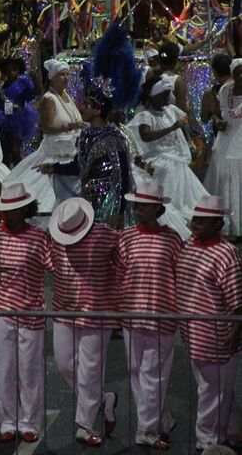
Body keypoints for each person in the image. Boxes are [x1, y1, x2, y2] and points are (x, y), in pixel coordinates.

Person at [115, 176, 184, 450]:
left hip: (161, 315)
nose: (138, 209)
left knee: (154, 374)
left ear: (157, 208)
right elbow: (120, 273)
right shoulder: (127, 238)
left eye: (144, 205)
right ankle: (161, 420)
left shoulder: (172, 239)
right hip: (132, 314)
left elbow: (181, 275)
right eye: (137, 205)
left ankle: (146, 430)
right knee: (136, 373)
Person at [49, 197, 119, 447]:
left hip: (98, 310)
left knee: (90, 368)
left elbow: (122, 265)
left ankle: (85, 425)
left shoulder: (108, 236)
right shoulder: (56, 236)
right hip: (63, 308)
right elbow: (50, 263)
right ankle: (102, 399)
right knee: (65, 363)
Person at [176, 196, 242, 452]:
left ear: (217, 224)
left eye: (203, 221)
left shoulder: (226, 254)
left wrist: (234, 332)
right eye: (195, 219)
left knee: (211, 393)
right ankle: (233, 431)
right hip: (194, 334)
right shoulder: (191, 245)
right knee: (217, 390)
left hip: (217, 336)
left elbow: (237, 300)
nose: (196, 224)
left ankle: (208, 441)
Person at [0, 182, 53, 443]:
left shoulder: (39, 236)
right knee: (2, 367)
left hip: (31, 310)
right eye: (8, 209)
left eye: (16, 208)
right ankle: (7, 420)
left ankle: (29, 421)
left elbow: (53, 265)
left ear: (26, 208)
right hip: (1, 309)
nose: (11, 213)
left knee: (30, 370)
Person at [5, 58, 83, 211]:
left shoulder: (66, 95)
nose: (66, 78)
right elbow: (46, 127)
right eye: (61, 75)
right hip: (54, 154)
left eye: (67, 74)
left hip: (72, 153)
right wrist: (70, 126)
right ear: (52, 78)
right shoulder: (49, 99)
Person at [127, 74, 209, 221]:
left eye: (168, 94)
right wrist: (171, 128)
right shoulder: (146, 115)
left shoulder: (171, 110)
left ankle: (182, 210)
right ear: (153, 97)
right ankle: (170, 211)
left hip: (176, 155)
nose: (168, 97)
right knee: (169, 168)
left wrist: (190, 145)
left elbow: (183, 126)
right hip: (157, 155)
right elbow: (145, 135)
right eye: (164, 95)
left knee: (179, 167)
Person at [76, 76, 132, 226]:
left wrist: (118, 210)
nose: (81, 107)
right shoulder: (85, 135)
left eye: (87, 104)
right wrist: (54, 167)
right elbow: (79, 166)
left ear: (98, 110)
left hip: (108, 202)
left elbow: (122, 175)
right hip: (89, 200)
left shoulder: (113, 138)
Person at [204, 58, 242, 238]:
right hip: (225, 141)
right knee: (225, 180)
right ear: (232, 73)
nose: (241, 75)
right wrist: (218, 122)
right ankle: (228, 227)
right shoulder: (225, 90)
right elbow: (216, 115)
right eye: (238, 72)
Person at [0, 55, 38, 168]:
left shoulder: (22, 82)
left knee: (15, 150)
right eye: (8, 70)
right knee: (5, 150)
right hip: (2, 117)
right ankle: (7, 174)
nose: (11, 73)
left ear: (19, 69)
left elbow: (35, 92)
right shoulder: (0, 86)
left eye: (14, 69)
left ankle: (20, 172)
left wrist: (35, 80)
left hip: (18, 118)